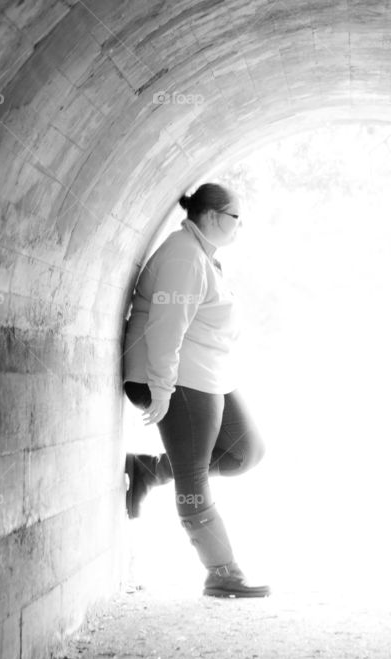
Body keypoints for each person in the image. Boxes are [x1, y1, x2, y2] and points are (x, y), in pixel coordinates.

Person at [122, 182, 269, 598]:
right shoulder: (183, 257)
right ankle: (221, 572)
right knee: (194, 475)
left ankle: (149, 470)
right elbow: (165, 327)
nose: (240, 226)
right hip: (177, 380)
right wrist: (161, 389)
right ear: (212, 216)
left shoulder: (201, 254)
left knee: (246, 452)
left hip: (207, 375)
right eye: (236, 218)